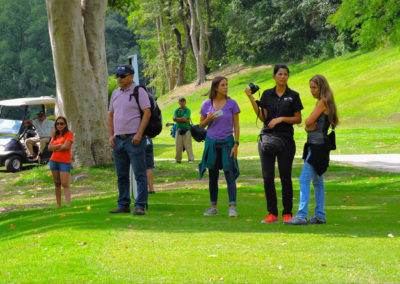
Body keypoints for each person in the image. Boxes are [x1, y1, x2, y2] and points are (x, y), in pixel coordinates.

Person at [245, 64, 303, 224]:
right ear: (274, 76)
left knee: (285, 177)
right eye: (280, 74)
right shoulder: (266, 94)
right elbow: (263, 117)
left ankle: (287, 213)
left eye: (286, 74)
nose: (283, 77)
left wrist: (281, 118)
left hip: (285, 140)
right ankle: (272, 214)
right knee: (268, 177)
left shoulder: (293, 95)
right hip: (267, 138)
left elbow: (298, 119)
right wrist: (251, 98)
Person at [285, 74, 338, 225]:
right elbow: (309, 126)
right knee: (318, 182)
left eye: (314, 87)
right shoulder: (324, 102)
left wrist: (308, 125)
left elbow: (308, 122)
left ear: (322, 87)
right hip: (317, 145)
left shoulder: (323, 102)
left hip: (317, 147)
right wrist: (309, 127)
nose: (311, 90)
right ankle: (320, 215)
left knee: (304, 179)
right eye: (310, 87)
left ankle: (302, 215)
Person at [108, 64, 151, 215]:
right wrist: (111, 135)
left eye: (122, 76)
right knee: (121, 175)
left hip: (134, 138)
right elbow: (111, 115)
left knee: (139, 174)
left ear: (131, 76)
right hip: (118, 140)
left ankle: (140, 204)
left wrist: (139, 134)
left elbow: (147, 112)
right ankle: (123, 204)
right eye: (117, 76)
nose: (119, 79)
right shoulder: (115, 93)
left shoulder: (139, 91)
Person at [199, 76, 240, 217]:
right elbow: (201, 125)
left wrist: (236, 143)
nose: (226, 87)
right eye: (223, 85)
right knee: (213, 175)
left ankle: (232, 207)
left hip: (227, 142)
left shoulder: (232, 103)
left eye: (227, 85)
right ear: (216, 87)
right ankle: (213, 206)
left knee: (230, 174)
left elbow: (236, 125)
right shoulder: (206, 104)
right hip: (212, 142)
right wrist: (208, 119)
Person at [48, 116, 74, 208]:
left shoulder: (69, 134)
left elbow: (66, 147)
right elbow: (49, 148)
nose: (59, 125)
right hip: (54, 161)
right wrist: (60, 145)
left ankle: (68, 204)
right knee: (57, 183)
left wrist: (55, 147)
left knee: (65, 183)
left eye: (61, 123)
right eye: (57, 123)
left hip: (64, 161)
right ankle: (59, 204)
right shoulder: (54, 134)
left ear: (65, 124)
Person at [173, 97, 194, 163]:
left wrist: (177, 119)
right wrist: (182, 119)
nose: (182, 103)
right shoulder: (176, 110)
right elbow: (174, 118)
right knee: (178, 146)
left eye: (183, 101)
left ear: (185, 102)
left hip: (186, 130)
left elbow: (185, 119)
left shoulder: (187, 110)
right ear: (179, 102)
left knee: (188, 145)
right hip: (178, 130)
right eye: (181, 101)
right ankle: (178, 160)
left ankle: (191, 159)